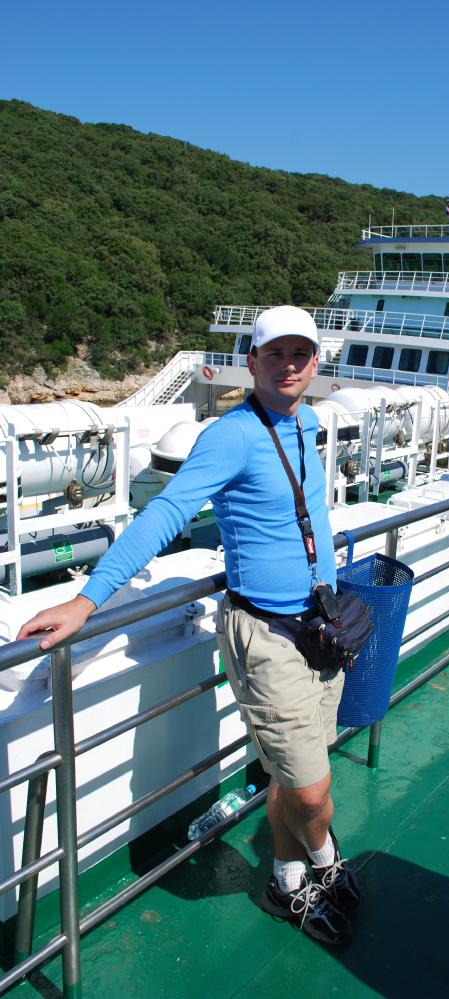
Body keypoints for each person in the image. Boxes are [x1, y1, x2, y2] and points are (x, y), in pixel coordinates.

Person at [17, 306, 359, 945]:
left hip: (323, 627)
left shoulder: (307, 422)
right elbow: (165, 513)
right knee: (312, 794)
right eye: (275, 354)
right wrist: (88, 600)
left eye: (300, 355)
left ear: (316, 364)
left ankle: (287, 880)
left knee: (292, 775)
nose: (289, 366)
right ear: (252, 362)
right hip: (268, 636)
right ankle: (325, 859)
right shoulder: (230, 436)